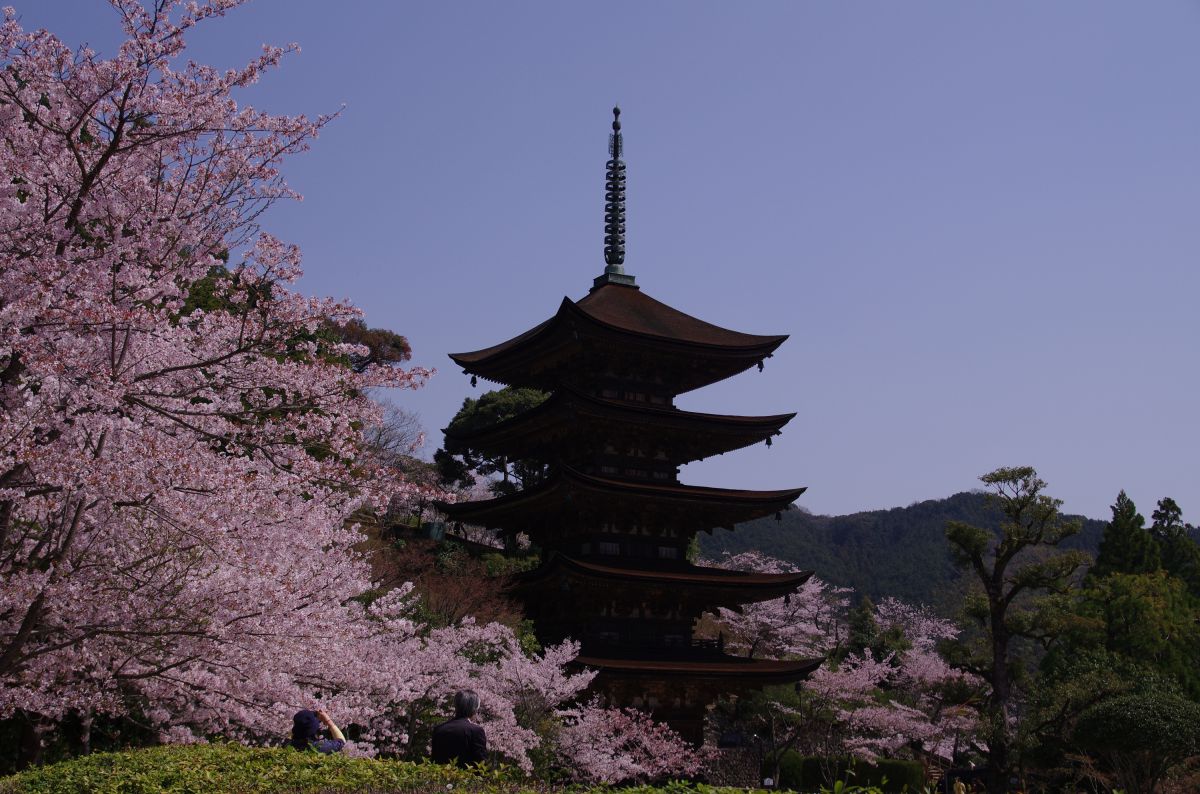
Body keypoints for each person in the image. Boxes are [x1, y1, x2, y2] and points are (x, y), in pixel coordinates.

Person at [430, 689, 487, 767]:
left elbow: (434, 760)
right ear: (475, 709)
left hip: (440, 777)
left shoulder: (439, 729)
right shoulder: (475, 731)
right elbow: (481, 763)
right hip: (465, 778)